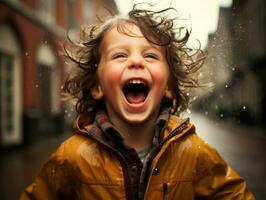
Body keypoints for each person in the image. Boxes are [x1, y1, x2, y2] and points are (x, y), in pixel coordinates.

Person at [20, 5, 255, 200]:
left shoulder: (193, 153)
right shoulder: (72, 157)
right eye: (120, 55)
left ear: (169, 88)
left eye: (150, 55)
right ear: (97, 86)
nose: (135, 61)